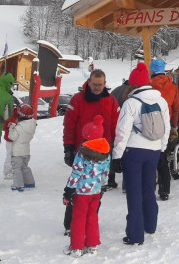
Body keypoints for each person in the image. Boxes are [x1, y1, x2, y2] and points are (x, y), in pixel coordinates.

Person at [112, 62, 170, 246]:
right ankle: (150, 225)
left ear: (133, 84)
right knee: (149, 189)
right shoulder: (161, 101)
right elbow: (166, 127)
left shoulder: (131, 103)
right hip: (154, 150)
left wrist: (117, 156)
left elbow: (122, 131)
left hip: (134, 152)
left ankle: (135, 235)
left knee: (134, 192)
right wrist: (162, 149)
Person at [62, 69, 120, 234]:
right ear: (89, 82)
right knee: (77, 189)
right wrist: (68, 147)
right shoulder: (77, 99)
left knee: (98, 190)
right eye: (94, 84)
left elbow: (116, 126)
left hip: (103, 152)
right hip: (82, 151)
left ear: (105, 83)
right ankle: (71, 224)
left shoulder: (111, 101)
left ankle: (90, 220)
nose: (97, 88)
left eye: (100, 85)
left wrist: (117, 149)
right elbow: (69, 125)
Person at [63, 115, 110, 258]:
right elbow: (105, 172)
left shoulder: (81, 154)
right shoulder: (105, 153)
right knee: (92, 218)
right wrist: (103, 186)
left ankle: (76, 247)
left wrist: (68, 190)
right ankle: (92, 245)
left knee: (78, 219)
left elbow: (76, 173)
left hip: (81, 193)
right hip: (96, 191)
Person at [149, 59, 179, 201]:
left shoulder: (148, 85)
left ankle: (149, 189)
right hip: (165, 126)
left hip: (149, 125)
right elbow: (176, 108)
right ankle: (164, 190)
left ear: (152, 70)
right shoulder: (173, 86)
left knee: (149, 159)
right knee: (162, 158)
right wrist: (174, 126)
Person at [7, 104, 37, 192]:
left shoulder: (19, 127)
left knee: (16, 169)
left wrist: (11, 128)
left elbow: (12, 137)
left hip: (17, 153)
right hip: (26, 152)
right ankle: (30, 182)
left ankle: (18, 185)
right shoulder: (32, 125)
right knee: (25, 167)